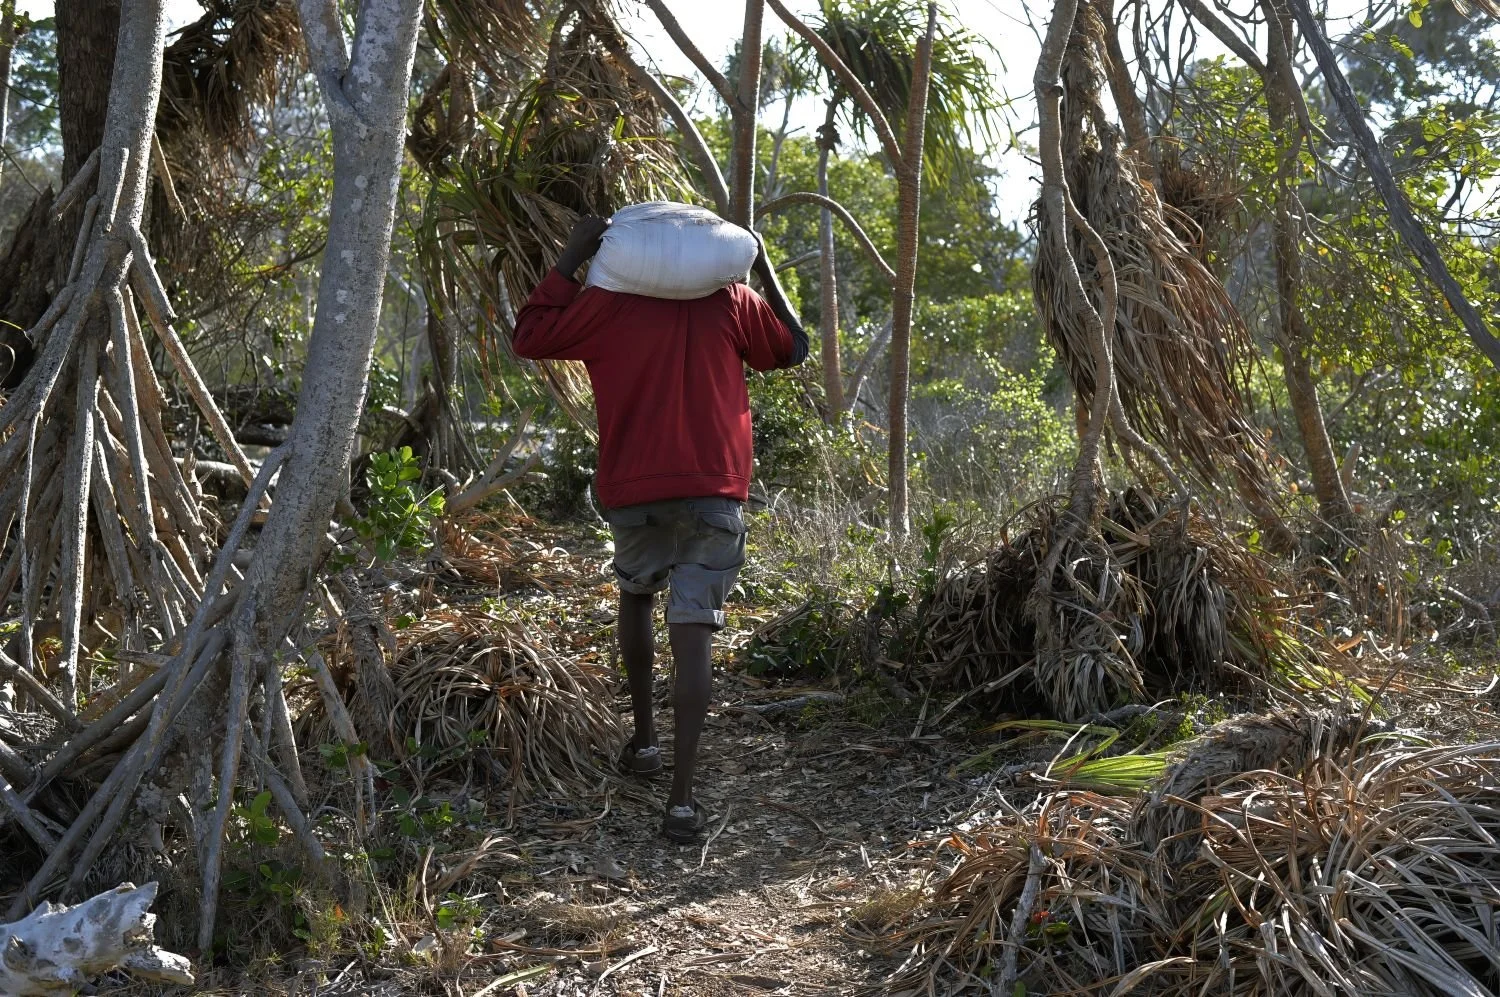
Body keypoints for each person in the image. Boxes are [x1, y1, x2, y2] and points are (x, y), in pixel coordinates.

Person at [514, 214, 808, 842]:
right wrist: (762, 267)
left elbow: (529, 335)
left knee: (637, 595)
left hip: (635, 485)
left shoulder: (607, 304)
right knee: (694, 628)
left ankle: (645, 741)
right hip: (714, 489)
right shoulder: (732, 300)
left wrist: (571, 255)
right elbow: (791, 347)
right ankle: (680, 802)